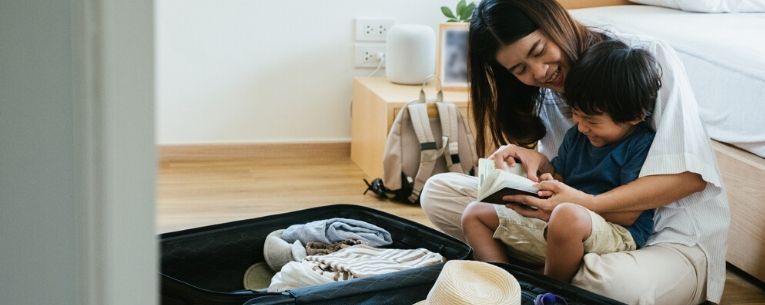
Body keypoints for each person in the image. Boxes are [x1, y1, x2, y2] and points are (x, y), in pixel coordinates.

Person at [419, 0, 729, 304]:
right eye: (519, 69)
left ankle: (544, 279)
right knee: (439, 192)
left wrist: (585, 203)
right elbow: (561, 177)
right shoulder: (551, 92)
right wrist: (534, 164)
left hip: (663, 243)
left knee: (611, 284)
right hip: (569, 225)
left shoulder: (645, 59)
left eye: (539, 51)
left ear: (555, 21)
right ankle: (515, 283)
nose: (540, 72)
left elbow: (689, 178)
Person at [462, 39, 660, 283]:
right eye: (575, 113)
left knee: (567, 216)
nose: (581, 125)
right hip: (559, 220)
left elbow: (627, 215)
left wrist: (563, 207)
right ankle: (503, 286)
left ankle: (549, 291)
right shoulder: (578, 135)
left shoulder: (641, 144)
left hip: (615, 230)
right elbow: (559, 176)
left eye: (592, 120)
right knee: (474, 213)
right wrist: (542, 181)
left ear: (635, 116)